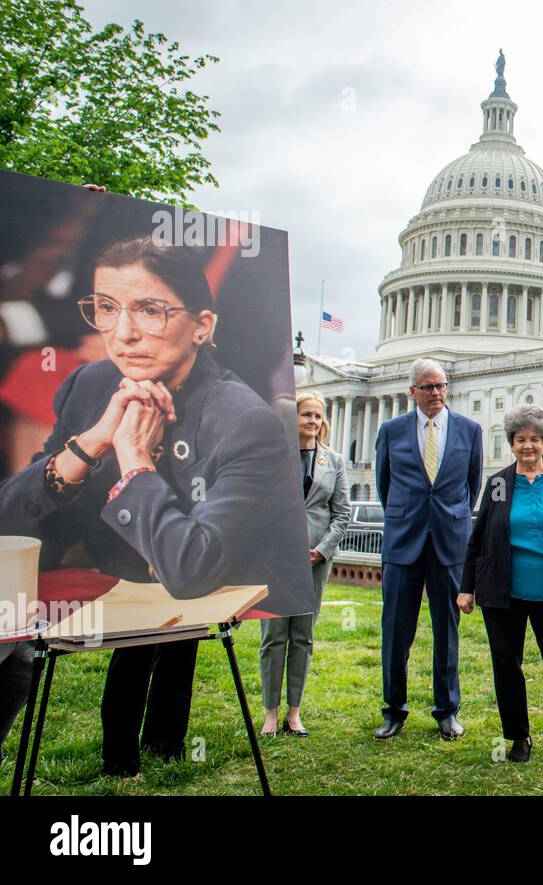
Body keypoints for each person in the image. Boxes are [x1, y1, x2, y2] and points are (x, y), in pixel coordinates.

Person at [0, 236, 311, 777]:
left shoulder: (243, 419)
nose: (124, 334)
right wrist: (91, 444)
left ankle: (166, 743)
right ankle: (121, 758)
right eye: (107, 308)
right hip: (117, 567)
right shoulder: (92, 384)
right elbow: (11, 521)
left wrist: (135, 460)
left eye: (151, 310)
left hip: (194, 573)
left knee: (181, 650)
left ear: (202, 326)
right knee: (133, 655)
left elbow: (191, 569)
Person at [457, 405, 543, 762]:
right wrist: (466, 586)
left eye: (534, 439)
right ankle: (518, 736)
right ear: (511, 443)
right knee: (506, 664)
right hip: (503, 592)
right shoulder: (500, 484)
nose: (528, 446)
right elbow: (478, 539)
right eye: (520, 439)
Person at [373, 358, 482, 741]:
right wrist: (407, 518)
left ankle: (447, 711)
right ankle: (393, 709)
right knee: (396, 631)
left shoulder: (470, 430)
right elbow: (384, 486)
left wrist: (449, 520)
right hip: (403, 542)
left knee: (446, 632)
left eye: (441, 386)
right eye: (428, 387)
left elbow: (473, 484)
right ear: (412, 391)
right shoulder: (390, 430)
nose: (436, 393)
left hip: (449, 543)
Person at [258, 391, 350, 737]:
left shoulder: (335, 461)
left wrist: (322, 550)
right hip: (276, 560)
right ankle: (270, 711)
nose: (313, 422)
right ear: (291, 419)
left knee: (303, 636)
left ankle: (294, 712)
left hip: (315, 560)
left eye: (317, 416)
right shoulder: (272, 458)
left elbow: (342, 515)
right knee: (273, 636)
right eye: (306, 415)